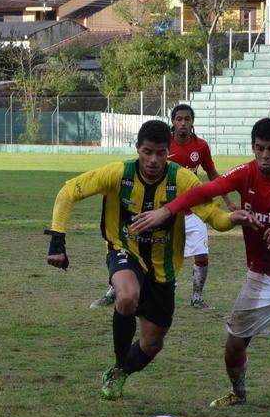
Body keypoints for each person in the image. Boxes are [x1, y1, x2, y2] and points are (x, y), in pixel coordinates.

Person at [131, 117, 270, 412]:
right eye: (259, 148)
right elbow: (203, 192)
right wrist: (167, 210)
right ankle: (238, 392)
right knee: (233, 347)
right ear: (253, 147)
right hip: (262, 275)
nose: (265, 156)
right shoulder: (245, 174)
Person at [47, 120, 244, 400]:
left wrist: (231, 219)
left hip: (164, 268)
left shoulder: (183, 180)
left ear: (168, 153)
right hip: (123, 249)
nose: (153, 160)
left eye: (160, 153)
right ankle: (118, 367)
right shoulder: (118, 173)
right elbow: (68, 192)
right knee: (127, 296)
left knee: (152, 344)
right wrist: (57, 241)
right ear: (137, 148)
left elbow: (214, 217)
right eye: (147, 152)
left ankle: (122, 371)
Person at [89, 104, 235, 310]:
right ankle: (114, 290)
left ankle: (197, 296)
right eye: (179, 119)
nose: (183, 123)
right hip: (161, 211)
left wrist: (227, 201)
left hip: (192, 211)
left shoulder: (201, 146)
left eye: (187, 119)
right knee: (131, 249)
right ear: (173, 122)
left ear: (192, 122)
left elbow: (212, 174)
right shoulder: (163, 144)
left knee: (202, 252)